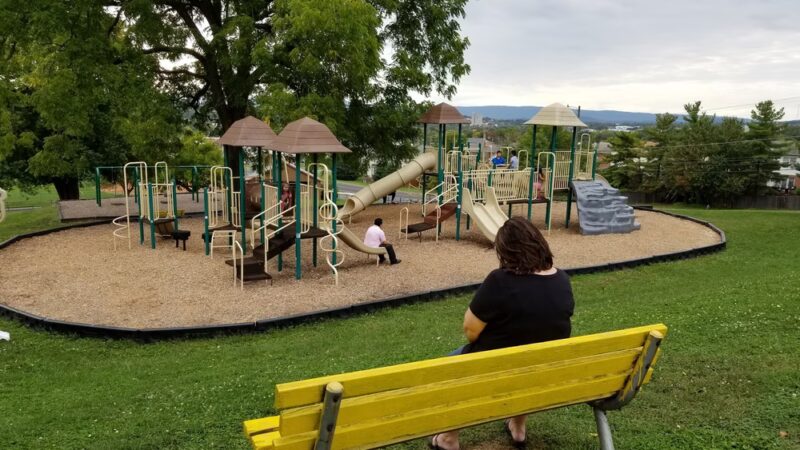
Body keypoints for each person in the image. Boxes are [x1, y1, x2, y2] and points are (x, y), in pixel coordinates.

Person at [430, 217, 574, 450]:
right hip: (543, 370)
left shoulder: (500, 281)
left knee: (452, 368)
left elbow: (471, 330)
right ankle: (518, 427)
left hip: (495, 369)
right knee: (528, 356)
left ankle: (448, 438)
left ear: (506, 250)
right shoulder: (562, 280)